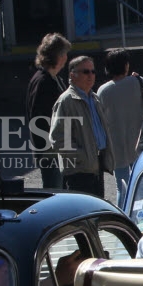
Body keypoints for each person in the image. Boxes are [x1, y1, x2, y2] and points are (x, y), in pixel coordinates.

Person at [95, 48, 143, 199]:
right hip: (139, 142)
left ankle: (123, 215)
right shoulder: (137, 82)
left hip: (116, 145)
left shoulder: (103, 91)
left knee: (121, 186)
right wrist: (140, 82)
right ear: (126, 65)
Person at [48, 55, 113, 198]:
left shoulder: (94, 98)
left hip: (96, 168)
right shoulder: (66, 101)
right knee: (80, 216)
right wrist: (82, 156)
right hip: (78, 172)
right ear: (73, 75)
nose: (91, 75)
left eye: (93, 71)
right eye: (85, 72)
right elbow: (58, 139)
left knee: (95, 214)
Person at [27, 34, 71, 190]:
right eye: (65, 53)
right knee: (55, 193)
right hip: (50, 150)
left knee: (60, 192)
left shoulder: (51, 78)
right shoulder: (44, 81)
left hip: (54, 148)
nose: (66, 57)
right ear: (58, 56)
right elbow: (40, 118)